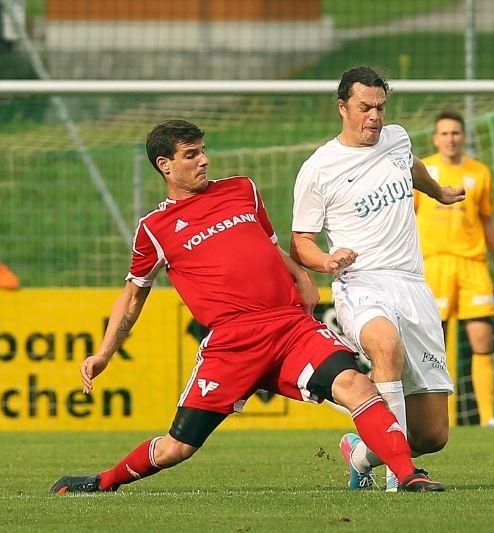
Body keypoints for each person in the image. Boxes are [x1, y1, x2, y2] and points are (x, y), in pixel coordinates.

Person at [50, 119, 443, 495]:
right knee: (177, 447)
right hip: (233, 343)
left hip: (289, 327)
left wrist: (302, 277)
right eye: (191, 155)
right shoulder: (155, 228)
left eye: (203, 151)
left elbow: (270, 246)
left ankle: (407, 475)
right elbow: (132, 297)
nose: (203, 160)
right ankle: (104, 481)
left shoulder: (242, 189)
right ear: (164, 165)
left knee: (356, 384)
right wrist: (104, 353)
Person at [291, 66, 465, 491]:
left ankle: (361, 452)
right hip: (361, 283)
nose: (374, 116)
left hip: (413, 287)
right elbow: (300, 242)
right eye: (365, 107)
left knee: (432, 435)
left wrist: (437, 191)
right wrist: (327, 261)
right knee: (385, 346)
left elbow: (411, 166)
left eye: (380, 107)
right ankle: (400, 478)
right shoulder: (319, 168)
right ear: (342, 107)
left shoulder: (397, 139)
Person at [414, 109, 494, 427]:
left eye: (455, 133)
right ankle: (435, 418)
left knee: (483, 341)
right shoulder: (422, 170)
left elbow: (487, 219)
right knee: (432, 346)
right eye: (444, 133)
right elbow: (407, 217)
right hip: (434, 264)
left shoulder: (479, 172)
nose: (450, 139)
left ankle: (489, 419)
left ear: (464, 137)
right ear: (435, 138)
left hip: (472, 265)